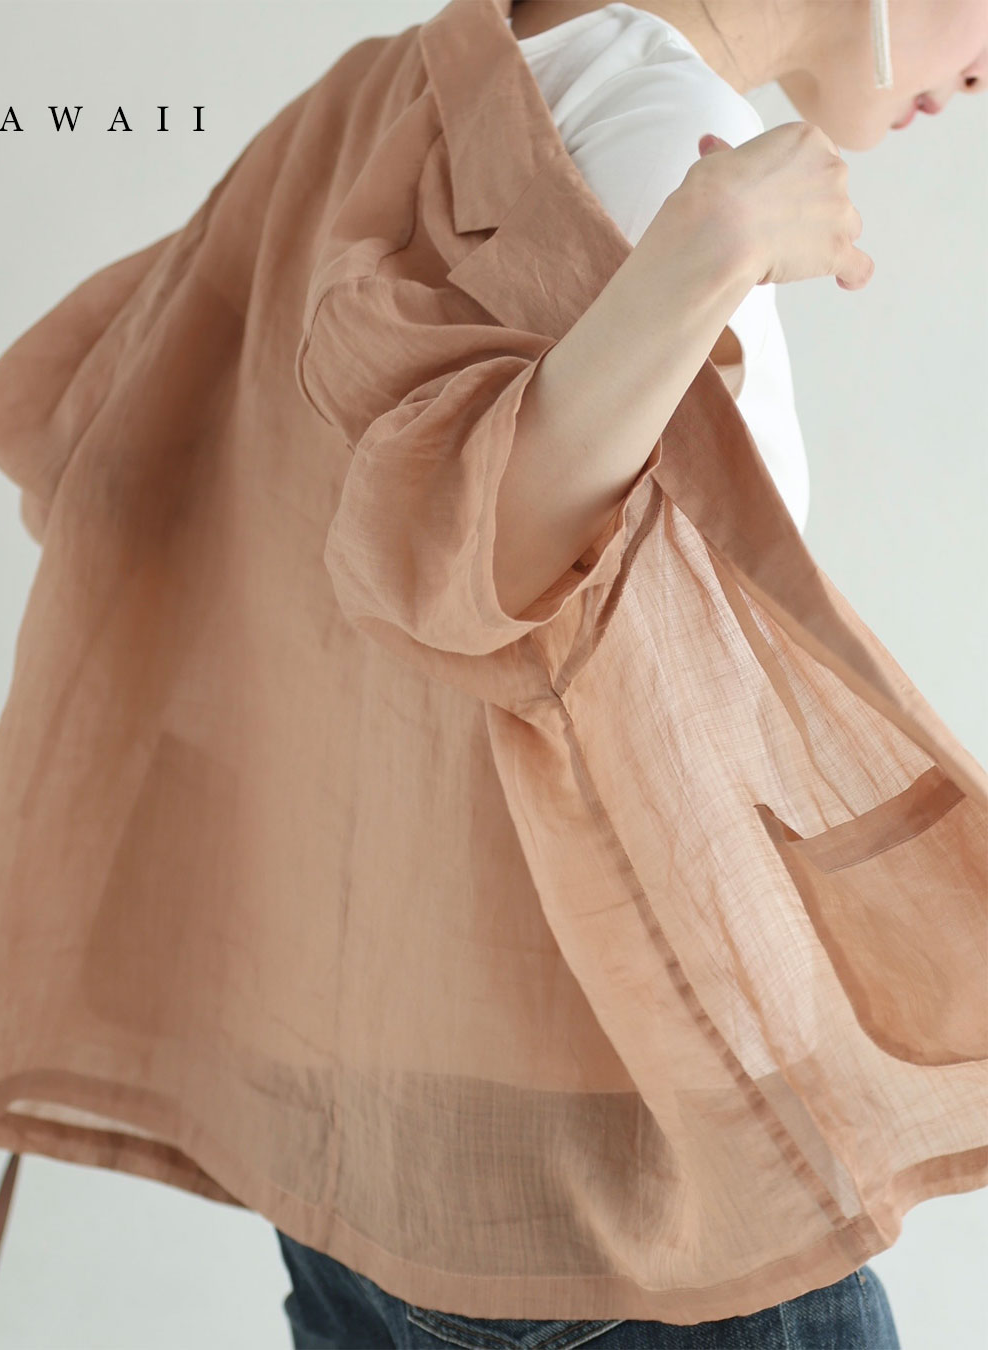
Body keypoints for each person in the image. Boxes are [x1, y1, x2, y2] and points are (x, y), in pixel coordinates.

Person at [273, 2, 985, 1347]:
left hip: (360, 1128)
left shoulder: (420, 98)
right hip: (617, 1175)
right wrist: (709, 245)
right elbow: (491, 567)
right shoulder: (669, 130)